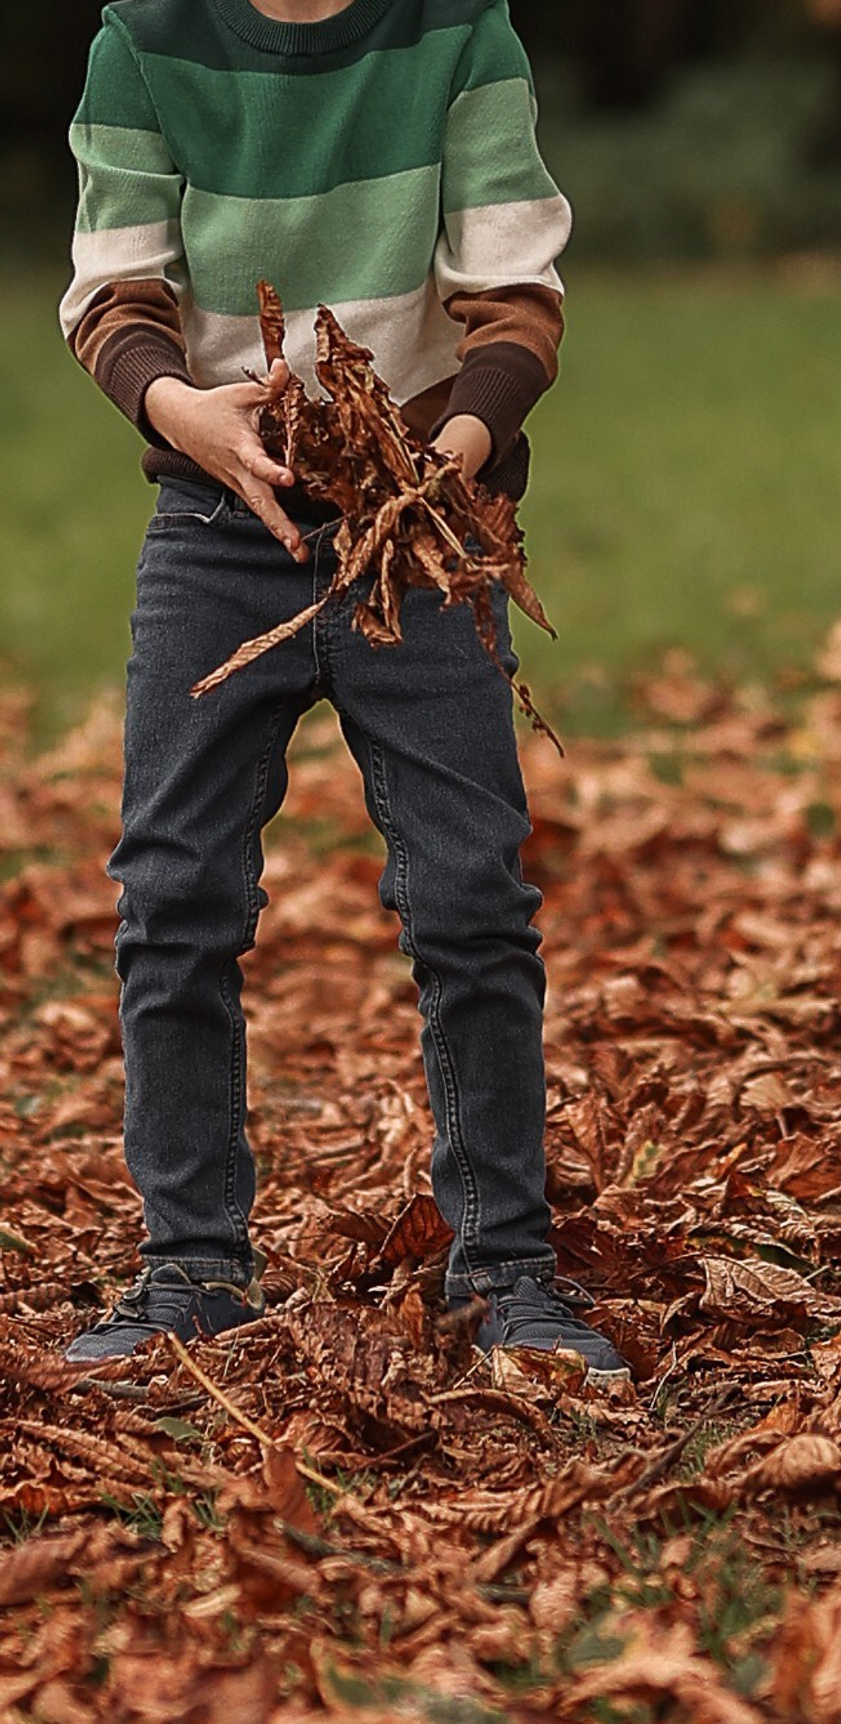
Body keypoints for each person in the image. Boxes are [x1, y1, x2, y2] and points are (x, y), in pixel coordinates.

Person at [57, 0, 627, 1386]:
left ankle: (506, 1273)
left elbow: (519, 305)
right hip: (213, 527)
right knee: (172, 898)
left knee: (472, 901)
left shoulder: (455, 35)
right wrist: (183, 413)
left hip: (424, 517)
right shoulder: (147, 41)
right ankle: (190, 1271)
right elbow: (113, 297)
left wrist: (452, 455)